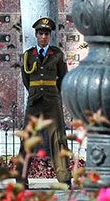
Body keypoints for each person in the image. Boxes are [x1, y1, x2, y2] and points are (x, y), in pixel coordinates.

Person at [17, 17, 71, 188]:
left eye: (47, 33)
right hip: (34, 102)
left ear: (50, 36)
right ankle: (21, 179)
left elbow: (62, 77)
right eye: (41, 33)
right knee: (27, 139)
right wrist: (35, 91)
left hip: (52, 101)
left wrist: (52, 92)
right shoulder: (28, 56)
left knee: (58, 138)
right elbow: (26, 79)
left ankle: (64, 179)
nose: (44, 36)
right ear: (36, 35)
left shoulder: (57, 54)